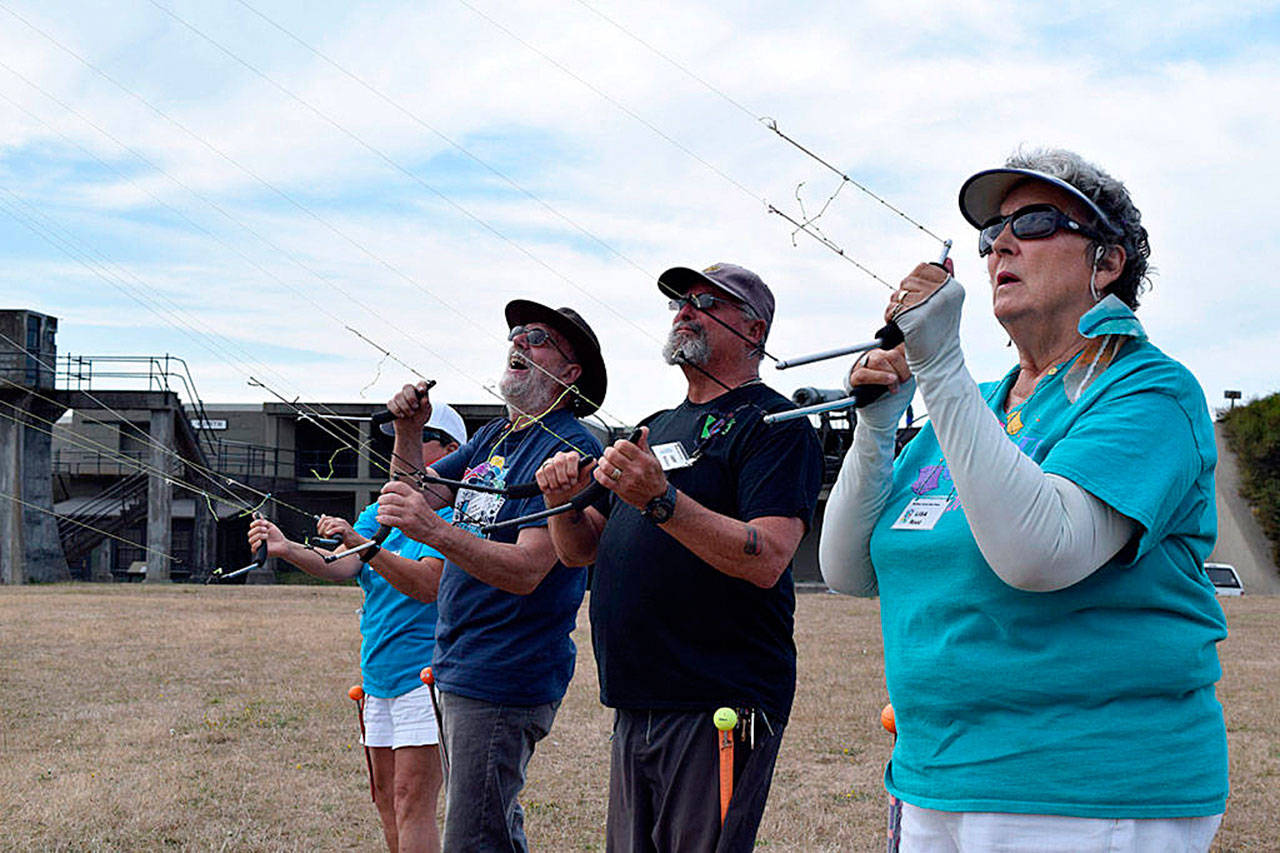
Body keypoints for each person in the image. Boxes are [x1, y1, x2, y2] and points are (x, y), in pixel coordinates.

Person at [819, 148, 1228, 851]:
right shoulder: (973, 409)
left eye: (1035, 221)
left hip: (1086, 789)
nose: (1000, 243)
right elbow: (849, 568)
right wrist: (879, 423)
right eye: (990, 233)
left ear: (1107, 263)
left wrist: (940, 365)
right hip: (935, 777)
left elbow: (1041, 553)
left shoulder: (1150, 391)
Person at [536, 263, 824, 852]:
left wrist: (661, 498)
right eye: (680, 302)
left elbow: (767, 557)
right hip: (637, 699)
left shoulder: (774, 426)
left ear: (753, 329)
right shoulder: (652, 428)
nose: (684, 311)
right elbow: (577, 551)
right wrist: (560, 503)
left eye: (705, 302)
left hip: (719, 701)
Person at [374, 300, 606, 852]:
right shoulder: (494, 438)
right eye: (516, 334)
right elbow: (416, 491)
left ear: (570, 374)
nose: (519, 342)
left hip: (506, 669)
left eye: (538, 338)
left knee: (474, 838)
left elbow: (529, 569)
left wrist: (437, 533)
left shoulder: (571, 446)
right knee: (489, 828)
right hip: (461, 658)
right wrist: (409, 431)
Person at [248, 403, 467, 853]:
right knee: (385, 798)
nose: (402, 449)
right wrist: (285, 547)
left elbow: (427, 581)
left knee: (411, 799)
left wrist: (362, 545)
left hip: (425, 676)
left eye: (418, 438)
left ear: (451, 451)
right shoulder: (380, 513)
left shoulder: (455, 517)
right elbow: (342, 564)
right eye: (397, 440)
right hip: (377, 676)